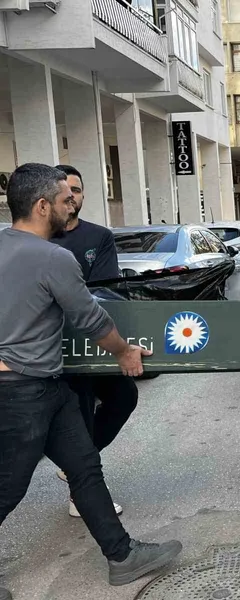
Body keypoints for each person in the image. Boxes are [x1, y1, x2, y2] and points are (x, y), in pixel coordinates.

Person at [0, 164, 181, 599]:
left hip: (47, 387)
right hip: (20, 391)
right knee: (8, 486)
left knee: (84, 467)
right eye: (65, 200)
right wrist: (124, 351)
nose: (72, 206)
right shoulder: (53, 258)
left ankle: (122, 556)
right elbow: (90, 319)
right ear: (42, 206)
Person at [50, 164, 137, 519]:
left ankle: (77, 464)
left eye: (77, 190)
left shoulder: (99, 236)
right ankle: (82, 492)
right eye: (66, 191)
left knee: (124, 396)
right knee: (79, 408)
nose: (72, 197)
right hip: (51, 347)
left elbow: (104, 291)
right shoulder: (38, 240)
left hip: (92, 339)